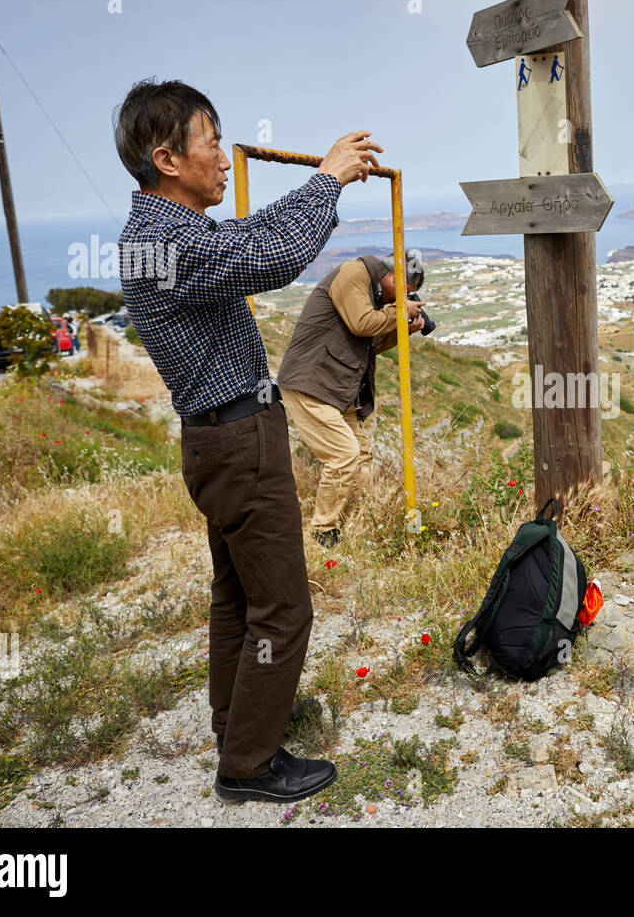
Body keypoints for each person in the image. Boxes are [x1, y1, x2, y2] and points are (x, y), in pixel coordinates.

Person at [114, 77, 382, 801]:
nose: (224, 159)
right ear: (168, 159)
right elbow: (272, 258)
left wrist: (318, 188)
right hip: (237, 440)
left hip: (222, 438)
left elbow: (255, 236)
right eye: (211, 142)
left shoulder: (166, 232)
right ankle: (249, 766)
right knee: (284, 605)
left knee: (238, 595)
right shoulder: (161, 244)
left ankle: (237, 722)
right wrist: (326, 180)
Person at [278, 252, 425, 549]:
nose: (405, 299)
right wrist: (400, 311)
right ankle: (323, 531)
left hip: (339, 389)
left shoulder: (373, 294)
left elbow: (368, 345)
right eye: (406, 293)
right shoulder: (354, 274)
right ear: (394, 278)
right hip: (311, 384)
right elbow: (362, 324)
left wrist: (403, 330)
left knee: (362, 457)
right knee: (344, 454)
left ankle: (355, 525)